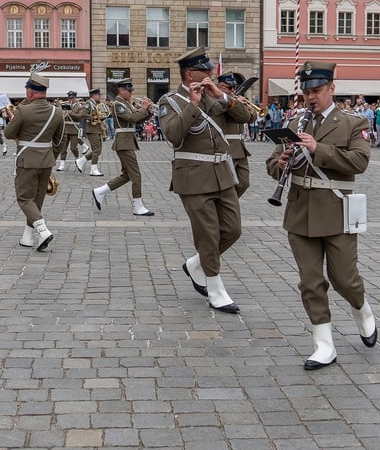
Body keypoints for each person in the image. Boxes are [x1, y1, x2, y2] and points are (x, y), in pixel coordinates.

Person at [265, 61, 377, 370]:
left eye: (317, 91)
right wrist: (281, 160)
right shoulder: (296, 121)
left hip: (337, 210)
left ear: (331, 90)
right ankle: (323, 344)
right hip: (300, 211)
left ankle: (362, 309)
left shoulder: (353, 123)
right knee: (311, 282)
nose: (311, 98)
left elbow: (359, 162)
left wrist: (319, 149)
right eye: (307, 92)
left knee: (344, 278)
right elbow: (272, 163)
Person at [158, 47, 250, 314]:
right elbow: (174, 135)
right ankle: (215, 289)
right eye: (205, 70)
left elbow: (245, 118)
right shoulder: (171, 101)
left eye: (210, 69)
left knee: (233, 230)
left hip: (222, 174)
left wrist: (221, 95)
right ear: (189, 74)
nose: (211, 73)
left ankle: (196, 264)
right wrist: (193, 105)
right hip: (193, 178)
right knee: (208, 235)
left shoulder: (215, 96)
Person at [4, 73, 65, 251]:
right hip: (46, 160)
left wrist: (13, 119)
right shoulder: (57, 112)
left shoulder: (23, 111)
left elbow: (8, 134)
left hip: (27, 159)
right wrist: (49, 155)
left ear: (30, 91)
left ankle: (43, 230)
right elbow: (59, 140)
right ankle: (28, 237)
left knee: (24, 198)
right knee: (36, 200)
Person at [92, 79, 155, 216]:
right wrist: (143, 108)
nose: (132, 92)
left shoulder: (126, 104)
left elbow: (137, 119)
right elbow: (131, 118)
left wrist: (148, 111)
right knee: (136, 174)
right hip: (124, 143)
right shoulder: (117, 104)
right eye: (129, 90)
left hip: (128, 142)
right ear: (121, 90)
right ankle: (138, 206)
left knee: (127, 175)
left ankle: (100, 191)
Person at [216, 72, 256, 197]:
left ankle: (228, 204)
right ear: (220, 86)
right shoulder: (217, 101)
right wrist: (235, 103)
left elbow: (251, 118)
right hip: (228, 148)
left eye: (234, 87)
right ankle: (226, 205)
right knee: (227, 184)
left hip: (240, 149)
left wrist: (242, 105)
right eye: (229, 87)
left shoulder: (234, 101)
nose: (232, 90)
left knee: (244, 183)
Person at [74, 88, 106, 176]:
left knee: (98, 150)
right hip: (91, 129)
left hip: (97, 129)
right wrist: (93, 118)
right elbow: (83, 114)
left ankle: (81, 161)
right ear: (94, 95)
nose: (100, 97)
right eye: (99, 95)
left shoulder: (96, 104)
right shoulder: (89, 104)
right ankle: (93, 169)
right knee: (96, 150)